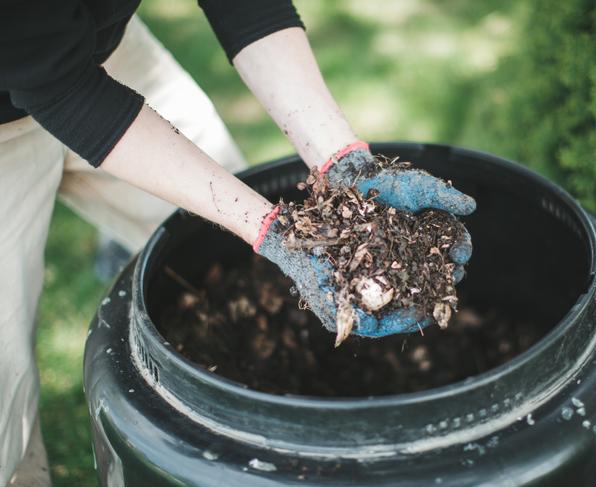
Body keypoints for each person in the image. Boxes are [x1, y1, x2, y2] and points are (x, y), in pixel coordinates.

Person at [0, 1, 475, 485]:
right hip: (22, 98)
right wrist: (273, 230)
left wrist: (343, 161)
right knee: (4, 404)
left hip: (97, 51)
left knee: (226, 269)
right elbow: (60, 86)